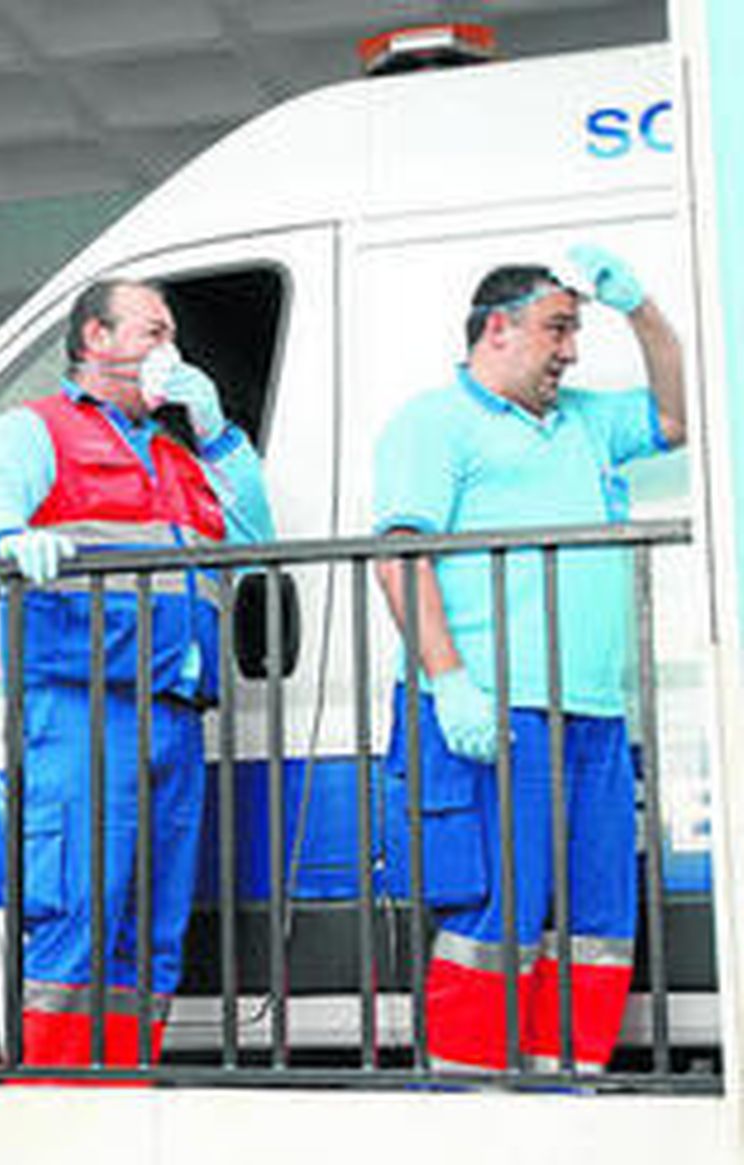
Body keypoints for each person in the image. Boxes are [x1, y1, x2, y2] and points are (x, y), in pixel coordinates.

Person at [371, 245, 685, 1073]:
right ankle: (475, 1112)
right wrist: (448, 683)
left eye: (576, 330)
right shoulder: (434, 422)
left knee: (598, 922)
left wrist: (643, 309)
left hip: (593, 715)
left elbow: (677, 418)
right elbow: (401, 553)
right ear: (499, 329)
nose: (571, 350)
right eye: (558, 329)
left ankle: (565, 1094)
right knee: (496, 916)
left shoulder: (583, 418)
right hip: (494, 710)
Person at [0, 277, 272, 1070]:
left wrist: (219, 431)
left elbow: (256, 536)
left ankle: (121, 1105)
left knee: (152, 933)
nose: (171, 350)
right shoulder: (36, 431)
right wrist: (4, 537)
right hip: (83, 708)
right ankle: (59, 1120)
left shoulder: (177, 453)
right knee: (77, 913)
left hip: (172, 713)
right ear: (96, 339)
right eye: (153, 332)